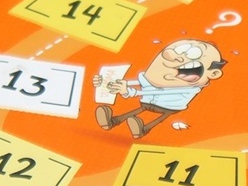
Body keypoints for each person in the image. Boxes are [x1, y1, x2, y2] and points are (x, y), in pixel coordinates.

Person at [93, 39, 226, 139]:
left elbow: (160, 91)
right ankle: (113, 121)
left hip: (169, 107)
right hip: (147, 102)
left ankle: (144, 129)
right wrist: (108, 82)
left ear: (213, 73)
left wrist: (131, 92)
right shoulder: (156, 75)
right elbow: (142, 80)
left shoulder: (190, 88)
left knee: (160, 118)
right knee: (139, 109)